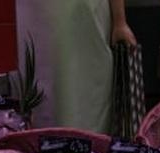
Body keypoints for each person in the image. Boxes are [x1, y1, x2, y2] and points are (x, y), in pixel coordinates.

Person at [16, 0, 137, 133]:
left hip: (78, 19)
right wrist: (120, 21)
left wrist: (120, 22)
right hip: (45, 15)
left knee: (74, 93)